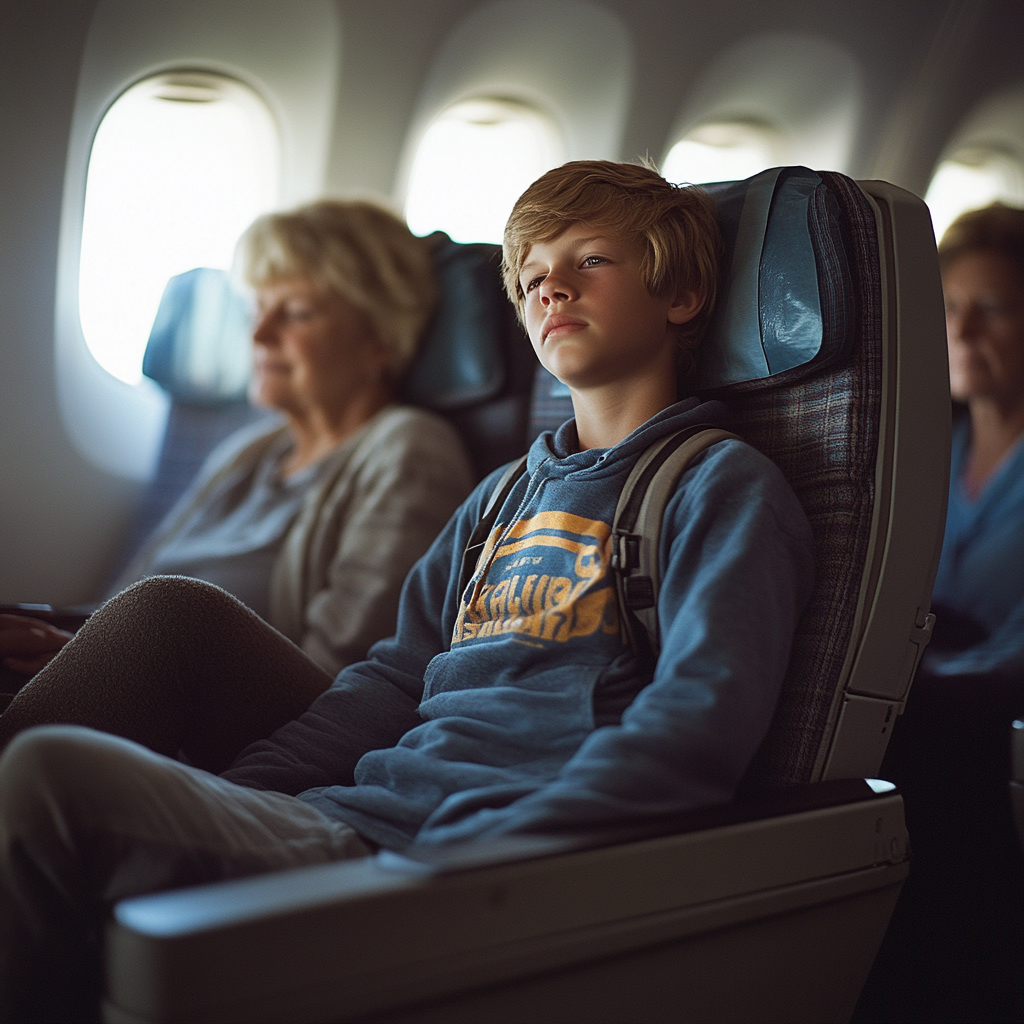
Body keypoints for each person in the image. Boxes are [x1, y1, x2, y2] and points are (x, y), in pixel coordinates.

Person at [0, 160, 814, 1021]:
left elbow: (696, 722)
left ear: (680, 296)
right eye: (533, 275)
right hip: (361, 818)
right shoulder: (499, 499)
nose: (552, 288)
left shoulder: (716, 488)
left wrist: (482, 853)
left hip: (452, 861)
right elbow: (392, 681)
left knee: (53, 777)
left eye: (591, 262)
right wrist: (247, 792)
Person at [0, 200, 475, 680]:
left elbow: (338, 680)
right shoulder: (248, 453)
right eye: (256, 309)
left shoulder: (410, 452)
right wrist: (59, 650)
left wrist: (96, 673)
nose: (261, 334)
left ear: (380, 339)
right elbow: (117, 607)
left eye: (296, 313)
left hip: (219, 740)